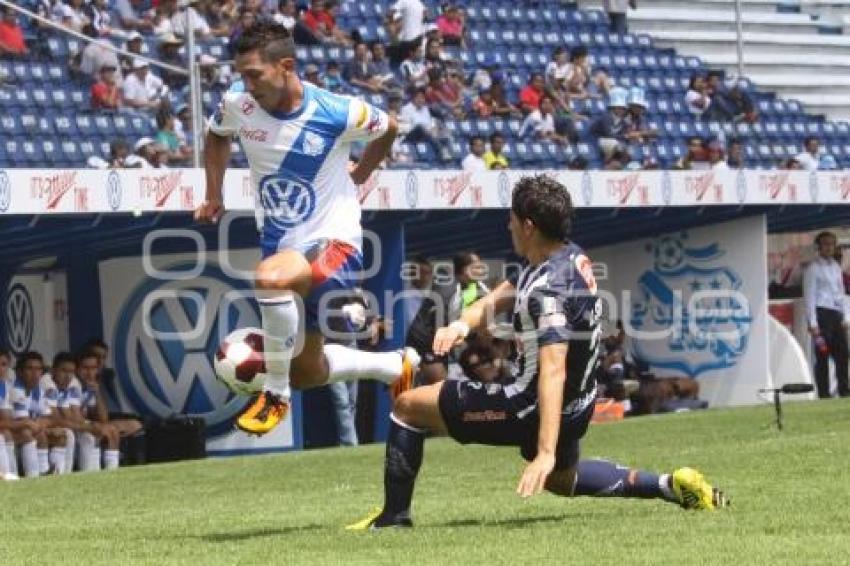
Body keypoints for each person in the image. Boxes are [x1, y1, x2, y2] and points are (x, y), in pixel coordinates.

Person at [347, 175, 727, 530]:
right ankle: (668, 485)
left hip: (532, 405)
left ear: (528, 225)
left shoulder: (548, 293)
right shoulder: (569, 256)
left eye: (512, 219)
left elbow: (553, 371)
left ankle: (393, 518)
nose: (508, 226)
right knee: (562, 481)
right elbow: (508, 288)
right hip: (578, 404)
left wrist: (544, 451)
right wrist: (464, 322)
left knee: (408, 407)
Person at [195, 22, 419, 436]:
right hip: (282, 243)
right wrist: (214, 193)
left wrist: (362, 172)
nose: (246, 84)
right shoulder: (238, 106)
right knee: (308, 371)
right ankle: (393, 364)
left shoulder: (334, 111)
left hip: (336, 240)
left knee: (269, 279)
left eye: (254, 74)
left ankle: (275, 394)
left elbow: (388, 126)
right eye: (241, 74)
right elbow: (216, 135)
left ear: (286, 66)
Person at [803, 231, 850, 398]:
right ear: (819, 247)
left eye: (832, 244)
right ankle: (824, 393)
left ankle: (844, 390)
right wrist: (813, 323)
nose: (829, 247)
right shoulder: (813, 268)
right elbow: (809, 296)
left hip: (836, 314)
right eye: (826, 244)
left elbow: (840, 292)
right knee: (822, 355)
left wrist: (845, 316)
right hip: (821, 314)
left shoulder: (836, 267)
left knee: (843, 354)